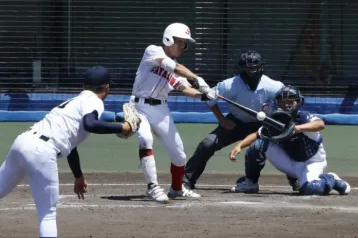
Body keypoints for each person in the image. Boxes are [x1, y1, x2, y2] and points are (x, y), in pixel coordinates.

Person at [0, 66, 141, 238]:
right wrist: (123, 127)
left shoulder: (74, 102)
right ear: (107, 88)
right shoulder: (94, 101)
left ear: (84, 85)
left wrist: (78, 176)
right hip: (41, 151)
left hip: (22, 142)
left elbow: (70, 145)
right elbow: (91, 124)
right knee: (48, 214)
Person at [182, 50, 299, 191]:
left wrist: (276, 119)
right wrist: (222, 120)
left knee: (287, 144)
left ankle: (296, 180)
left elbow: (286, 102)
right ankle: (186, 181)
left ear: (261, 67)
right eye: (247, 68)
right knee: (207, 144)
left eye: (255, 68)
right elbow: (210, 99)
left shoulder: (273, 86)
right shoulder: (228, 85)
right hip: (235, 123)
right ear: (240, 68)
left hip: (264, 125)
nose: (251, 72)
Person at [129, 22, 215, 203]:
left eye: (185, 43)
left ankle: (176, 189)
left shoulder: (177, 68)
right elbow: (172, 67)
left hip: (160, 109)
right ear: (169, 39)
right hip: (139, 106)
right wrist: (197, 78)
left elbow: (185, 89)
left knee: (179, 154)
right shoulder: (153, 51)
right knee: (146, 139)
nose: (183, 47)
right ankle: (152, 187)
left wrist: (205, 95)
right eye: (180, 42)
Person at [229, 85, 351, 196]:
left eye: (290, 100)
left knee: (312, 189)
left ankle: (331, 178)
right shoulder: (276, 121)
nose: (286, 103)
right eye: (283, 100)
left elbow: (320, 124)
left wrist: (296, 129)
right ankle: (250, 183)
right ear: (278, 102)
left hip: (312, 163)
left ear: (298, 102)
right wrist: (239, 146)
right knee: (258, 145)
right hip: (290, 163)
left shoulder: (303, 117)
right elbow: (257, 134)